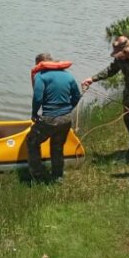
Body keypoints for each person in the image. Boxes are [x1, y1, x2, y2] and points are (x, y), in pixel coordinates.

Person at [81, 36, 129, 163]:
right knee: (127, 120)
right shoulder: (120, 59)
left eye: (119, 53)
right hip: (128, 93)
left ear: (127, 51)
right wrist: (92, 79)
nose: (117, 56)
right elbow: (111, 70)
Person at [27, 53, 81, 183]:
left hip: (50, 118)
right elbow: (77, 96)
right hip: (66, 118)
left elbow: (38, 97)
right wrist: (68, 109)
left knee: (32, 142)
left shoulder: (41, 76)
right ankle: (58, 176)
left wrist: (34, 113)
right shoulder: (68, 75)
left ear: (39, 64)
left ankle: (37, 176)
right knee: (57, 146)